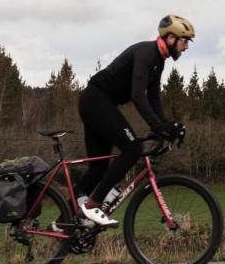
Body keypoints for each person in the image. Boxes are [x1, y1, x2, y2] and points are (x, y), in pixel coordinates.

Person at [75, 14, 193, 226]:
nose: (186, 47)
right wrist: (157, 126)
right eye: (184, 41)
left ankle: (64, 219)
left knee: (98, 168)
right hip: (97, 100)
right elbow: (138, 95)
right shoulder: (147, 53)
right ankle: (94, 205)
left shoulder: (159, 61)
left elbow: (153, 98)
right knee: (132, 149)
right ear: (171, 38)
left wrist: (166, 126)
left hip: (98, 103)